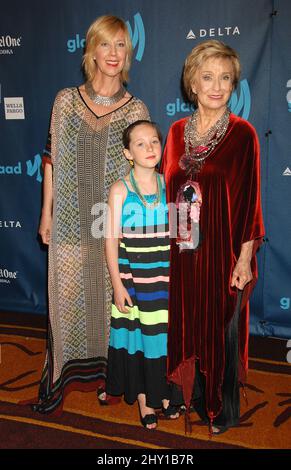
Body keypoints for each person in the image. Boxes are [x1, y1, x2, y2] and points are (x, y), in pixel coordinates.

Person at [35, 15, 150, 414]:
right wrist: (46, 213)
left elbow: (142, 171)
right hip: (69, 219)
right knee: (66, 300)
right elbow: (50, 160)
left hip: (111, 224)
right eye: (106, 45)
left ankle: (110, 379)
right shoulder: (65, 100)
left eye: (121, 46)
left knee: (108, 305)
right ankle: (58, 381)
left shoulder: (136, 108)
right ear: (92, 51)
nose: (113, 54)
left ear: (128, 54)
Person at [160, 40, 264, 434]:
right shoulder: (172, 133)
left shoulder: (243, 135)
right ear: (193, 82)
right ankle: (191, 396)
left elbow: (251, 201)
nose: (217, 86)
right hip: (182, 252)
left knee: (220, 329)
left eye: (225, 78)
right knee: (186, 324)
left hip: (224, 251)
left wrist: (243, 258)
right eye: (208, 77)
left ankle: (222, 408)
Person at [105, 120, 182, 429]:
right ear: (127, 153)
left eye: (154, 141)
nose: (150, 148)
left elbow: (181, 235)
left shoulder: (172, 184)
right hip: (134, 282)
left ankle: (163, 393)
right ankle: (144, 400)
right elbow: (110, 239)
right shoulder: (119, 190)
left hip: (164, 281)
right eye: (140, 143)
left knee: (163, 340)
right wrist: (117, 284)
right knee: (139, 340)